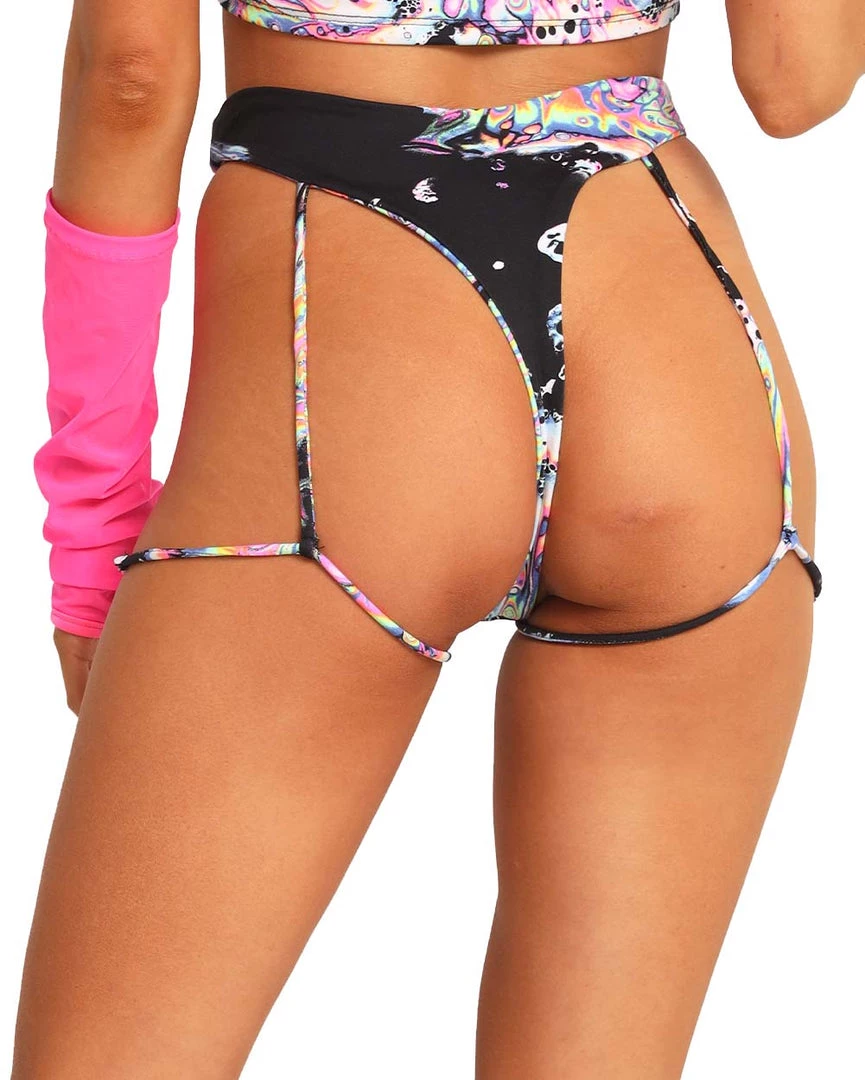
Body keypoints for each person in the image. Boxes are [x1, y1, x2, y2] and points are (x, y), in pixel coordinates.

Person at [13, 1, 864, 1075]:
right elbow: (798, 82)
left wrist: (91, 533)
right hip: (680, 363)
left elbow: (130, 78)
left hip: (352, 383)